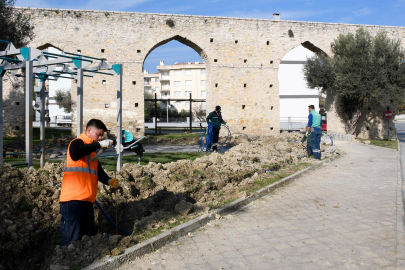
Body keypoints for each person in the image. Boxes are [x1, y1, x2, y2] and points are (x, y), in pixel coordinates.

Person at [59, 119, 118, 246]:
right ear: (89, 130)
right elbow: (76, 153)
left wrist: (109, 181)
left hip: (87, 200)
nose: (100, 138)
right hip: (72, 200)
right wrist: (99, 145)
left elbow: (98, 170)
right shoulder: (77, 143)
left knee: (88, 238)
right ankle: (64, 263)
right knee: (72, 240)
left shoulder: (91, 151)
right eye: (99, 134)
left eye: (102, 136)